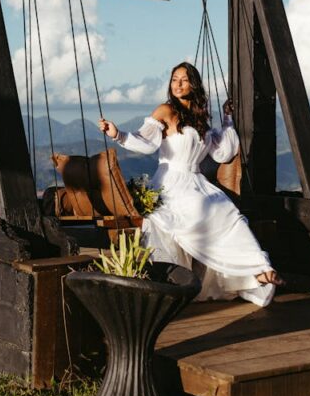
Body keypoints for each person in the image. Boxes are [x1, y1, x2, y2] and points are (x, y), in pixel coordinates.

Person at [98, 62, 282, 307]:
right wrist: (118, 134)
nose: (178, 84)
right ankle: (180, 284)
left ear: (194, 84)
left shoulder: (200, 116)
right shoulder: (165, 110)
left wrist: (228, 119)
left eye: (184, 80)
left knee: (228, 213)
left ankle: (256, 269)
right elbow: (146, 142)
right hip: (170, 182)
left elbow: (222, 153)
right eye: (174, 79)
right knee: (203, 211)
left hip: (196, 182)